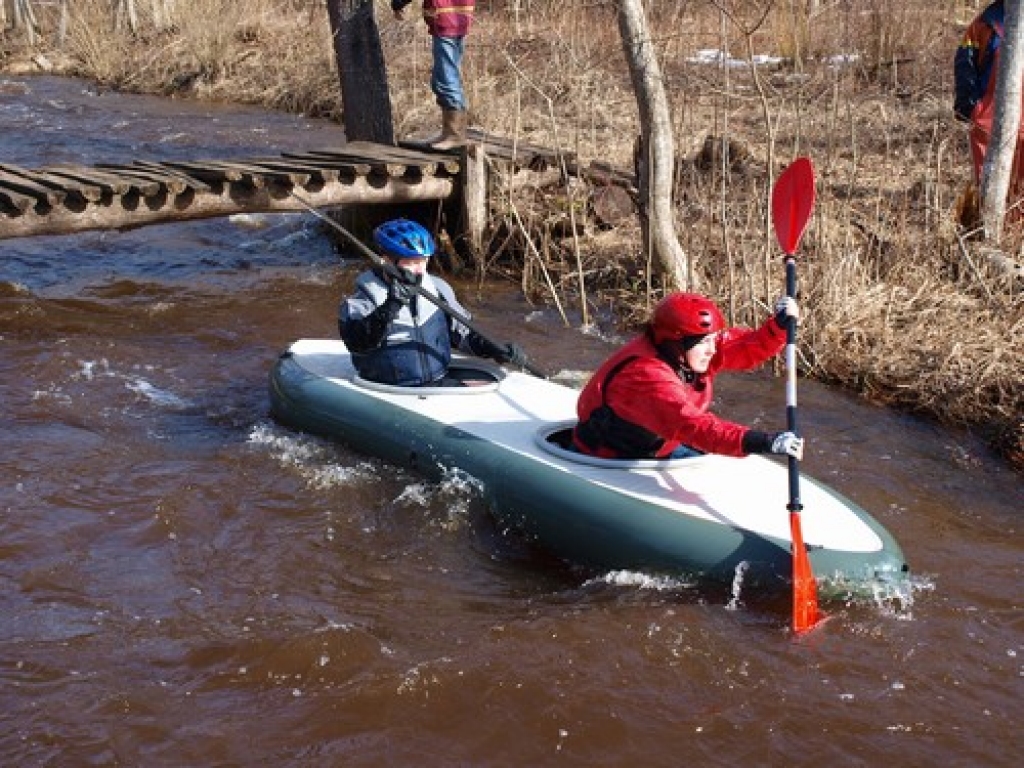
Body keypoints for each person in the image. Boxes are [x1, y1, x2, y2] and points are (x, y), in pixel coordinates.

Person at [572, 292, 804, 461]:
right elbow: (692, 425)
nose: (713, 350)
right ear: (675, 343)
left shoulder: (689, 352)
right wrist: (763, 441)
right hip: (612, 460)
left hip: (659, 449)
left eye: (713, 339)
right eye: (704, 342)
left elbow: (745, 347)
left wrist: (779, 327)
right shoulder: (645, 376)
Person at [339, 218, 526, 386]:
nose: (420, 270)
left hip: (437, 382)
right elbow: (357, 343)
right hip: (390, 389)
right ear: (387, 261)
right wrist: (392, 305)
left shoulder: (438, 289)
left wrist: (494, 349)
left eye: (423, 261)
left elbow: (464, 335)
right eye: (412, 262)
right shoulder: (362, 299)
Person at [954, 0, 1024, 205]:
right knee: (991, 189)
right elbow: (964, 65)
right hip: (988, 123)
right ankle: (992, 234)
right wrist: (971, 107)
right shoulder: (983, 25)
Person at [392, 0, 474, 150]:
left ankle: (455, 134)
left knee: (446, 79)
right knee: (444, 78)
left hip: (446, 18)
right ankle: (449, 133)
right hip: (458, 18)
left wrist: (399, 3)